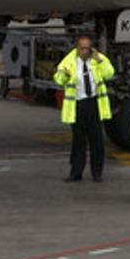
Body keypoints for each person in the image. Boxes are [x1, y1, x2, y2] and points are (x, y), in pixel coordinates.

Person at [52, 33, 115, 183]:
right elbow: (58, 79)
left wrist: (100, 61)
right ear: (76, 48)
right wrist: (65, 76)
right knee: (78, 142)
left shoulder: (98, 59)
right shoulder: (68, 61)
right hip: (78, 105)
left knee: (97, 141)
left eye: (87, 49)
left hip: (94, 103)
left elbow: (109, 74)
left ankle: (97, 173)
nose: (84, 52)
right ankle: (76, 172)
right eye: (82, 49)